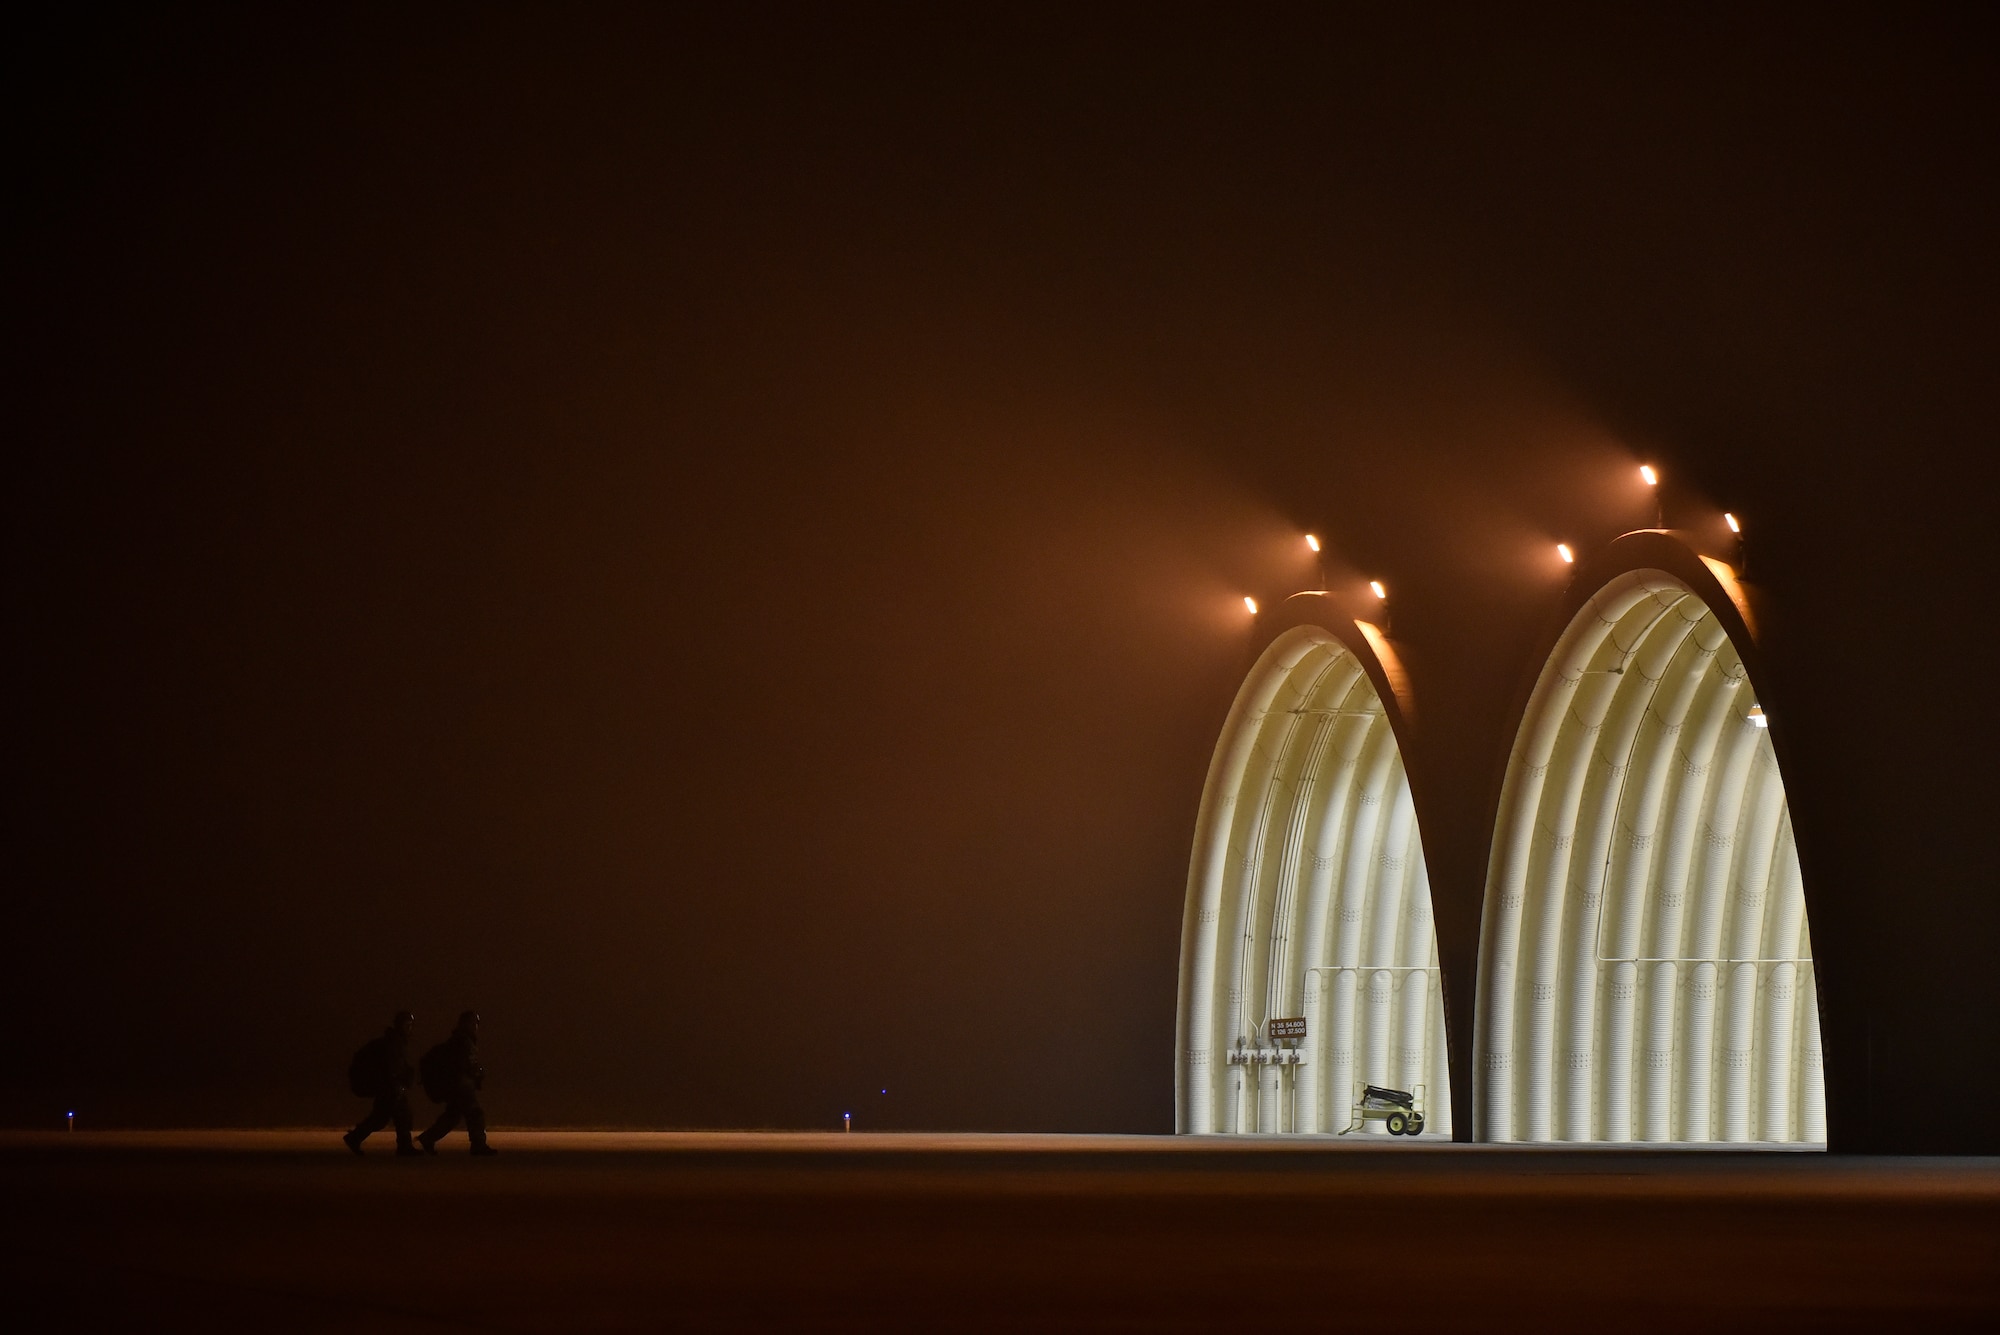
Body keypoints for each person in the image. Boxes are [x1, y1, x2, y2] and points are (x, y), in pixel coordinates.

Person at [419, 1010, 497, 1156]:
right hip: (462, 1087)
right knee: (475, 1113)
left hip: (459, 1085)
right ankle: (478, 1145)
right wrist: (476, 1073)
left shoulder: (461, 1040)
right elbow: (464, 1064)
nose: (476, 1026)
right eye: (474, 1022)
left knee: (453, 1116)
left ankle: (428, 1138)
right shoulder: (463, 1041)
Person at [343, 1010, 420, 1156]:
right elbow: (392, 1068)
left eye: (411, 1025)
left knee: (380, 1118)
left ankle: (354, 1137)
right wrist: (397, 1084)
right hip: (390, 1088)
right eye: (407, 1025)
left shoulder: (396, 1042)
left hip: (388, 1087)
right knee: (401, 1115)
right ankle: (404, 1146)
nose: (410, 1028)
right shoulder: (394, 1043)